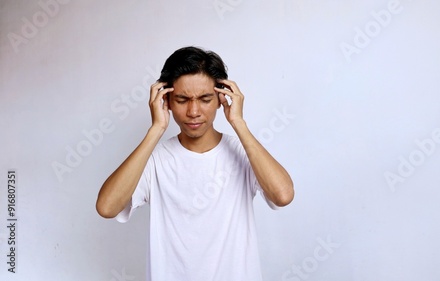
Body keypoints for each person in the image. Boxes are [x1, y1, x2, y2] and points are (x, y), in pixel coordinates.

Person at [95, 46, 294, 281]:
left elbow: (283, 195)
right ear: (166, 100)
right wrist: (156, 129)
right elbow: (107, 208)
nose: (193, 111)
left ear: (222, 98)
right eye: (182, 99)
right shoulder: (154, 159)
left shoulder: (243, 152)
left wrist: (238, 122)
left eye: (205, 99)